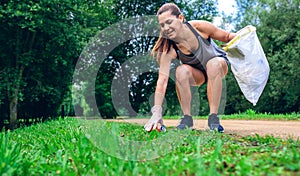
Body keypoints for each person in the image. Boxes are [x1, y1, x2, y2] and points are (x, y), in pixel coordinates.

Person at [144, 3, 235, 132]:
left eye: (169, 22)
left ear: (180, 18)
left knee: (212, 64)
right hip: (198, 74)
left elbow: (227, 37)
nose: (166, 28)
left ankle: (213, 118)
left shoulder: (199, 27)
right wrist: (157, 111)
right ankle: (187, 119)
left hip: (218, 65)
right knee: (180, 71)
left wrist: (246, 39)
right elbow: (162, 81)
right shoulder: (169, 48)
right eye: (162, 25)